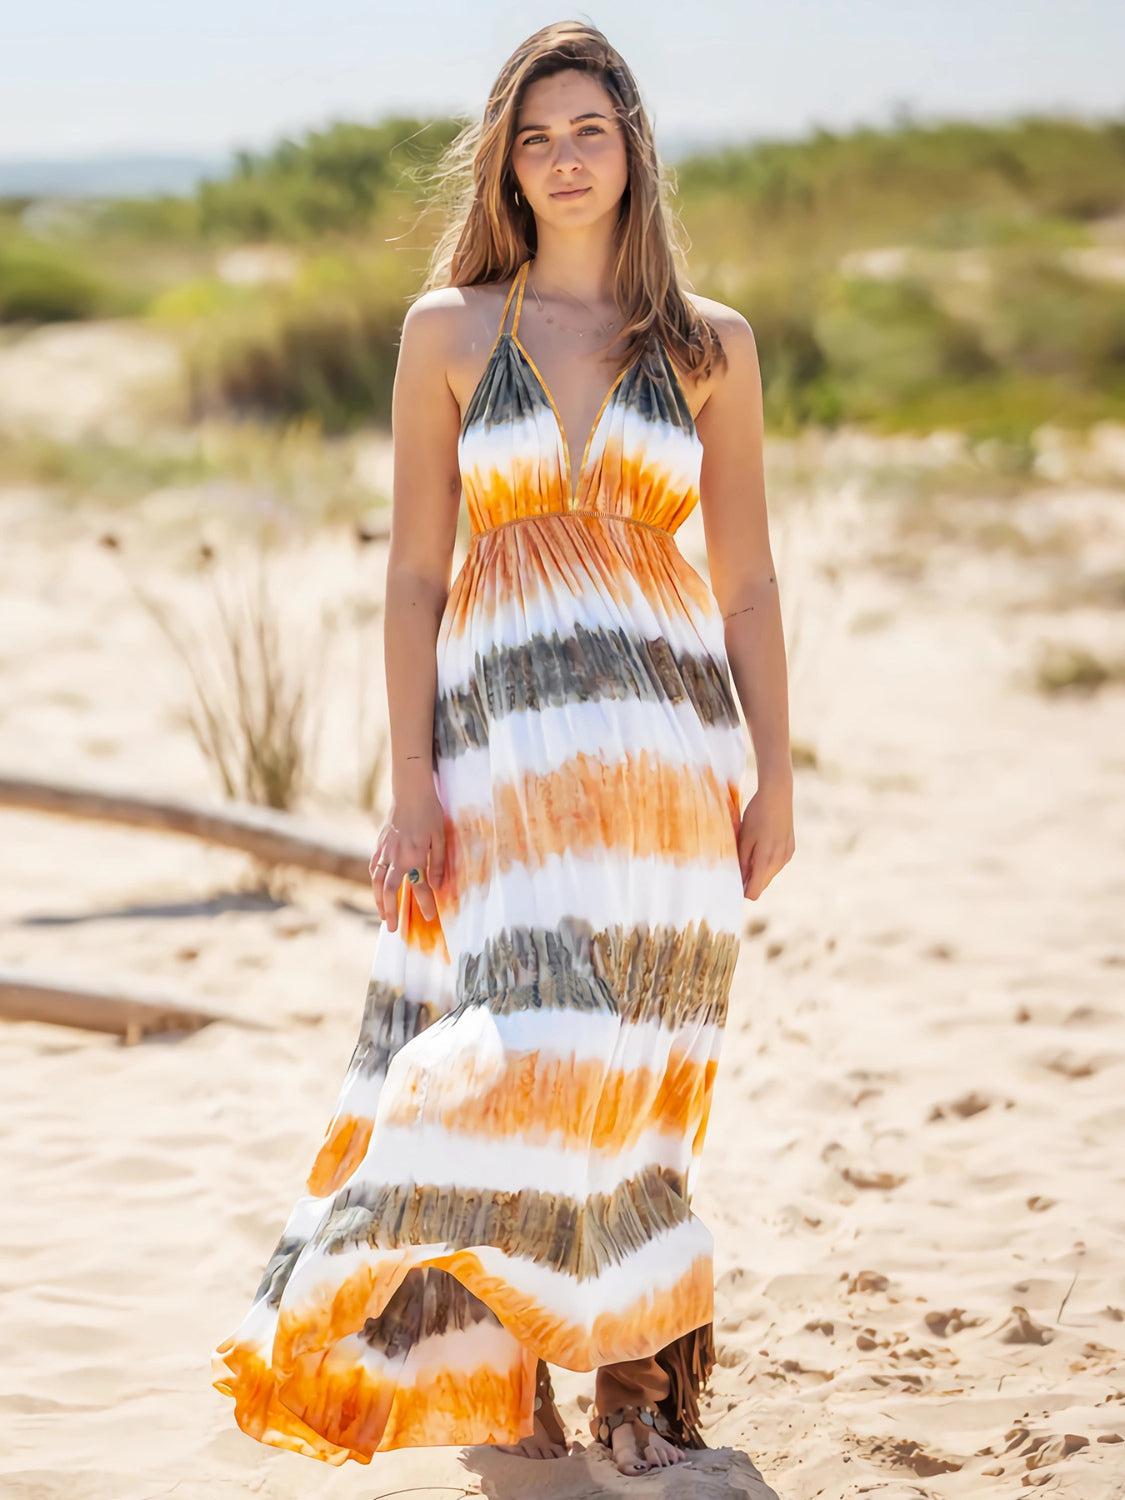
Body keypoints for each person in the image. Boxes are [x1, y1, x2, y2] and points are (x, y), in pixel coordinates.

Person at [211, 19, 793, 1480]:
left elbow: (746, 583)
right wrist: (408, 778)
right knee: (526, 1049)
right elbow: (415, 573)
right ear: (505, 164)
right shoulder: (448, 332)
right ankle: (507, 1357)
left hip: (668, 764)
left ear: (633, 148)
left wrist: (776, 771)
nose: (562, 159)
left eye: (588, 131)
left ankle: (634, 1388)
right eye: (535, 138)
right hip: (500, 759)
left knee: (634, 1068)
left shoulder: (710, 345)